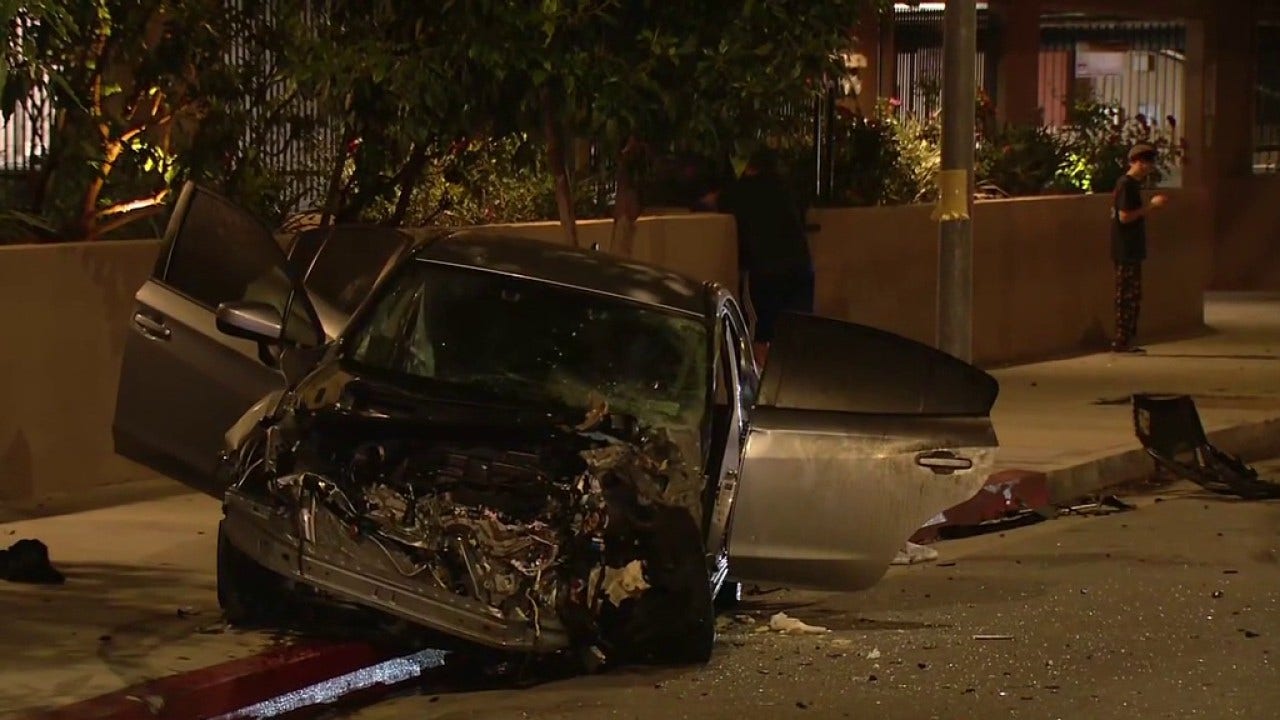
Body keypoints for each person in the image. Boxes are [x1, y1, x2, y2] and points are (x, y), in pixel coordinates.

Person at [706, 148, 815, 368]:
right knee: (795, 336)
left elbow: (713, 202)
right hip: (801, 271)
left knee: (761, 338)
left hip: (767, 273)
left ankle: (762, 391)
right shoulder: (786, 187)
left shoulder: (742, 191)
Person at [1110, 142, 1169, 354]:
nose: (1150, 168)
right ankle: (1121, 339)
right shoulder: (1126, 185)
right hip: (1126, 248)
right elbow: (1125, 217)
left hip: (1131, 248)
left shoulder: (1131, 185)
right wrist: (1152, 207)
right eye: (1147, 163)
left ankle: (1126, 339)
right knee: (1126, 295)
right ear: (1138, 162)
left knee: (1132, 295)